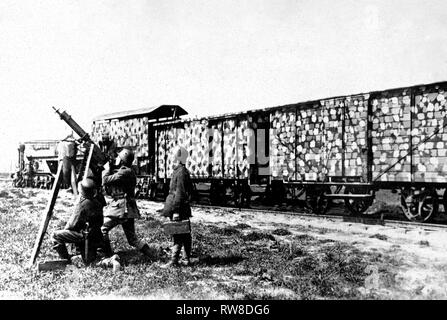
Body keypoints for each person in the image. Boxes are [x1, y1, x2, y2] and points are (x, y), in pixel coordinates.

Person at [101, 148, 153, 258]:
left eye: (118, 158)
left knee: (103, 229)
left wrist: (106, 169)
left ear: (122, 160)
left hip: (121, 208)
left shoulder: (125, 172)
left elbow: (105, 180)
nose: (116, 159)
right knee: (132, 239)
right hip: (127, 208)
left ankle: (109, 255)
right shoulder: (125, 171)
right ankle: (152, 255)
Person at [52, 178, 104, 264]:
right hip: (96, 236)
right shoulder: (98, 203)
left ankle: (66, 260)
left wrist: (65, 230)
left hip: (84, 236)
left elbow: (72, 225)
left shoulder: (82, 205)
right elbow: (100, 222)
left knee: (56, 236)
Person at [162, 146, 194, 268]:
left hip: (179, 208)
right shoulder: (181, 171)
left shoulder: (180, 172)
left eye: (173, 154)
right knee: (185, 234)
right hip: (182, 207)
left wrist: (176, 211)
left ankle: (174, 260)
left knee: (178, 234)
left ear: (178, 157)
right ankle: (186, 259)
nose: (171, 156)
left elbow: (180, 193)